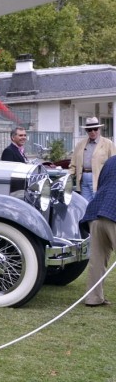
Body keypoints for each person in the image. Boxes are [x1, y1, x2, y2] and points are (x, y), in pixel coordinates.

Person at [82, 153, 116, 306]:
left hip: (96, 213)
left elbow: (101, 185)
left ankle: (93, 298)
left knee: (97, 259)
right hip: (113, 214)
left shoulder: (110, 161)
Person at [70, 116, 116, 204]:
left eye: (95, 129)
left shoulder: (108, 144)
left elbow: (114, 164)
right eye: (90, 130)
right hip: (83, 179)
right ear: (86, 131)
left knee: (98, 205)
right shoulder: (80, 144)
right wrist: (68, 176)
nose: (93, 132)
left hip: (100, 179)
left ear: (99, 129)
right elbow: (73, 163)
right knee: (85, 206)